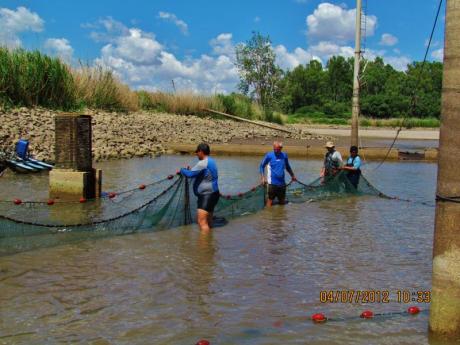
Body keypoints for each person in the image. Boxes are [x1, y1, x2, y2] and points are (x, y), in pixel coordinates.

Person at [180, 143, 219, 233]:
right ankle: (210, 244)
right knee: (209, 221)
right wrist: (189, 170)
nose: (196, 154)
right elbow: (198, 172)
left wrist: (182, 169)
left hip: (206, 196)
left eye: (197, 152)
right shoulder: (211, 161)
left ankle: (204, 246)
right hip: (214, 194)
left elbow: (190, 174)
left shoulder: (203, 163)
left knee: (202, 222)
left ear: (201, 152)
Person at [259, 141, 297, 207]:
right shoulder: (269, 155)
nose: (276, 150)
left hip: (282, 183)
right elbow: (261, 166)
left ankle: (280, 216)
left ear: (281, 148)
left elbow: (287, 167)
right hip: (272, 183)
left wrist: (292, 175)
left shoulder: (284, 155)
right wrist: (262, 178)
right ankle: (268, 216)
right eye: (274, 149)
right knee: (270, 201)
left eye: (278, 149)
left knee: (282, 201)